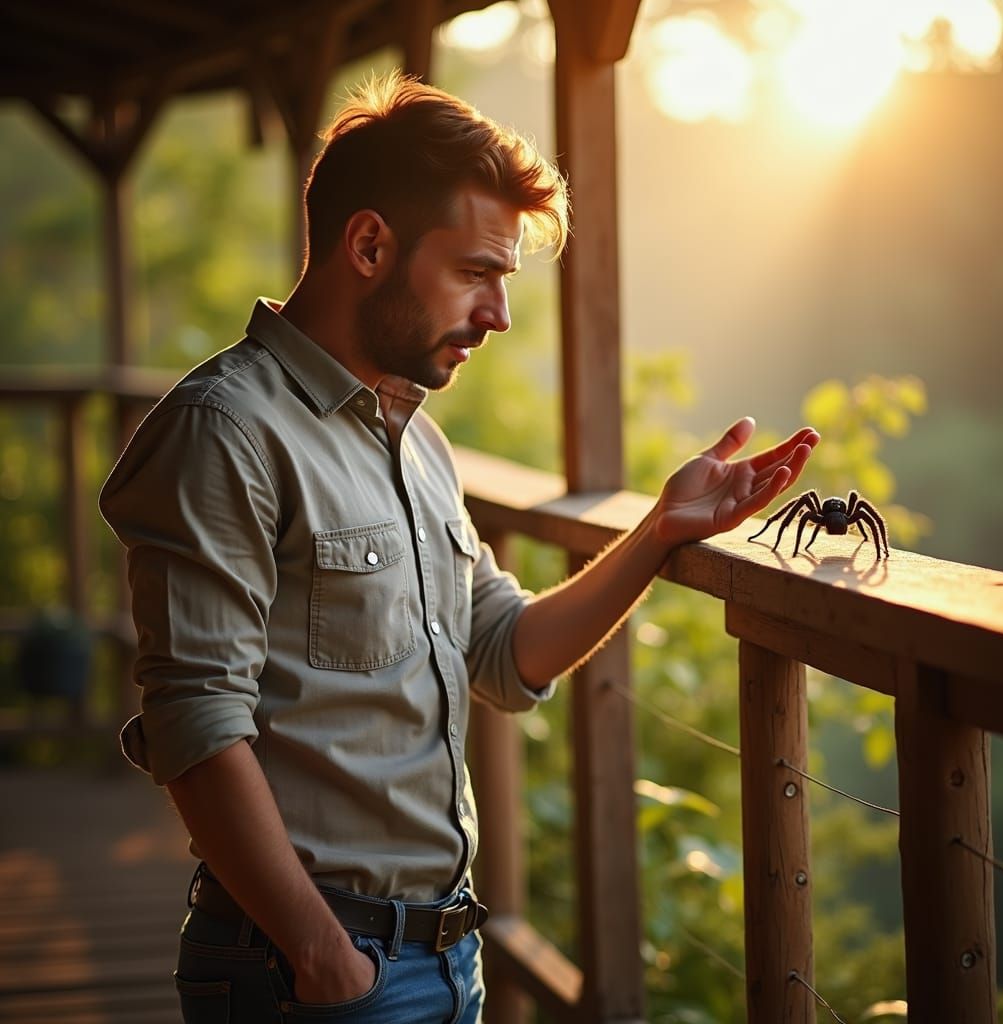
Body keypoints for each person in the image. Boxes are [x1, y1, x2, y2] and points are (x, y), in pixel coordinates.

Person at [100, 72, 818, 1024]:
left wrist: (659, 531)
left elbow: (504, 650)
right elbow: (196, 722)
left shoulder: (415, 437)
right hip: (306, 971)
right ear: (368, 245)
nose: (499, 314)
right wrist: (325, 958)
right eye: (478, 272)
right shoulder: (225, 432)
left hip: (443, 960)